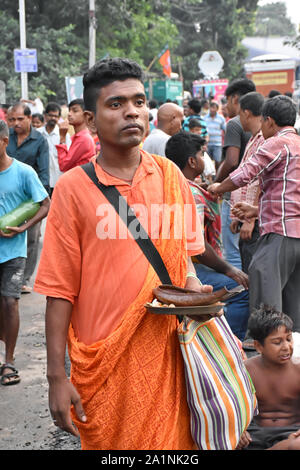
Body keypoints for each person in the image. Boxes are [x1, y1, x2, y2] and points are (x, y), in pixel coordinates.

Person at [34, 57, 211, 450]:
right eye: (115, 104)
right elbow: (59, 290)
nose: (132, 110)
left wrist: (196, 292)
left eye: (139, 101)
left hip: (167, 359)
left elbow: (183, 262)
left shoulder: (170, 178)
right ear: (92, 121)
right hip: (103, 365)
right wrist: (55, 378)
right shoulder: (72, 190)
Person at [207, 95, 300, 333]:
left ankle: (267, 348)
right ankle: (292, 350)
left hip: (280, 232)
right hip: (292, 231)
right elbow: (290, 196)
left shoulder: (276, 143)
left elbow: (245, 173)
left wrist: (218, 187)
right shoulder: (297, 143)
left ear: (268, 121)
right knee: (293, 298)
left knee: (263, 283)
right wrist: (256, 211)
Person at [165, 131, 249, 340]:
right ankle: (229, 342)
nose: (207, 160)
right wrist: (230, 270)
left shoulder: (173, 185)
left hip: (174, 265)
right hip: (189, 269)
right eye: (203, 154)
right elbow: (199, 246)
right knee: (242, 289)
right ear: (192, 161)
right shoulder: (192, 194)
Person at [0, 120, 50, 385]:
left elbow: (45, 204)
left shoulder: (23, 172)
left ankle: (9, 362)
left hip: (13, 251)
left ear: (4, 141)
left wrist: (23, 227)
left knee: (10, 301)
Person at [242, 306, 300, 450]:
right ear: (258, 346)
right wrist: (238, 430)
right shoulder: (245, 370)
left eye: (288, 339)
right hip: (254, 435)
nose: (286, 347)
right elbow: (231, 406)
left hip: (292, 432)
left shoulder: (298, 369)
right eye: (277, 342)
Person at [6, 102, 49, 293]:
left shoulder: (39, 140)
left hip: (31, 199)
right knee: (7, 231)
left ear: (30, 119)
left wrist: (39, 201)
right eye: (12, 119)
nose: (16, 123)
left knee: (31, 237)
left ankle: (23, 278)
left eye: (20, 119)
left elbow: (44, 172)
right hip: (8, 194)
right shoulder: (6, 137)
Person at [214, 78, 256, 271]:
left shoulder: (234, 123)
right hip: (254, 200)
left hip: (236, 195)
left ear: (235, 99)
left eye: (227, 100)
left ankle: (239, 298)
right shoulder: (262, 125)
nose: (225, 106)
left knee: (232, 251)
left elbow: (231, 161)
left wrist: (217, 184)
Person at [230, 92, 265, 274]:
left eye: (239, 113)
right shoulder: (253, 138)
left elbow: (258, 181)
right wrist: (239, 217)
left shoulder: (262, 140)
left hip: (256, 222)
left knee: (253, 275)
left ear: (246, 113)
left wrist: (250, 220)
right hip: (249, 217)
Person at [38, 102, 71, 196]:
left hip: (58, 179)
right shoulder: (38, 134)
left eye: (56, 116)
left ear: (59, 117)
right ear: (45, 115)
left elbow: (68, 157)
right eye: (50, 115)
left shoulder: (64, 135)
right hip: (41, 180)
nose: (53, 118)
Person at [56, 98, 95, 172]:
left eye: (75, 111)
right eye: (69, 111)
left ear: (86, 115)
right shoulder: (78, 137)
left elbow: (63, 166)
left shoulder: (83, 138)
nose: (69, 114)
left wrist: (62, 138)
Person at [188, 119, 216, 185]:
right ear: (191, 130)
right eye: (197, 130)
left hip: (202, 157)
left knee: (208, 173)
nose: (199, 132)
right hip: (196, 160)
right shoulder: (189, 139)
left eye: (200, 130)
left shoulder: (199, 139)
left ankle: (210, 185)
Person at [203, 100, 226, 169]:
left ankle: (217, 176)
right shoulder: (205, 118)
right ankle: (210, 176)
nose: (212, 109)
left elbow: (225, 130)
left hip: (217, 143)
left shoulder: (221, 118)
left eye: (214, 108)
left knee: (218, 161)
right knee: (207, 161)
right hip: (208, 143)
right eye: (211, 107)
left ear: (217, 109)